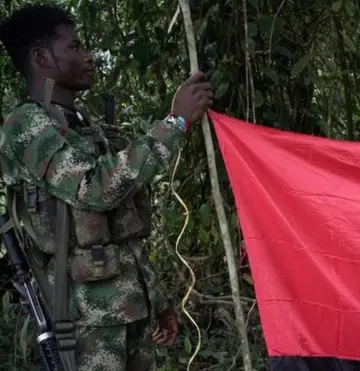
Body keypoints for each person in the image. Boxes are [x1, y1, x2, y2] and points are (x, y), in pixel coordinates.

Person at [0, 4, 212, 370]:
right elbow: (94, 189)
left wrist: (156, 301)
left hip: (130, 314)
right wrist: (175, 122)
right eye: (76, 47)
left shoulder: (85, 125)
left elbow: (120, 231)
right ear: (41, 57)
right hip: (84, 325)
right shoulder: (24, 126)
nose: (88, 56)